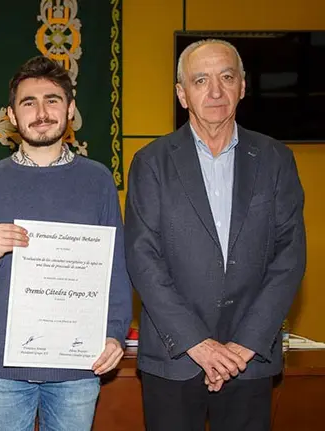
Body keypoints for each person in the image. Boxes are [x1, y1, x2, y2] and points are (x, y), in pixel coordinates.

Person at [125, 38, 306, 430]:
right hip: (175, 359)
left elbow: (289, 256)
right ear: (182, 94)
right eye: (201, 80)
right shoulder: (151, 163)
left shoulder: (276, 159)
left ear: (243, 86)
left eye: (227, 77)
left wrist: (244, 345)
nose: (216, 91)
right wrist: (199, 344)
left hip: (249, 358)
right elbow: (142, 257)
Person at [0, 55, 132, 431]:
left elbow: (116, 268)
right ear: (11, 115)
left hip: (77, 363)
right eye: (28, 102)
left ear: (70, 109)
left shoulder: (97, 179)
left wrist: (115, 333)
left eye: (52, 100)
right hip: (4, 366)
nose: (41, 112)